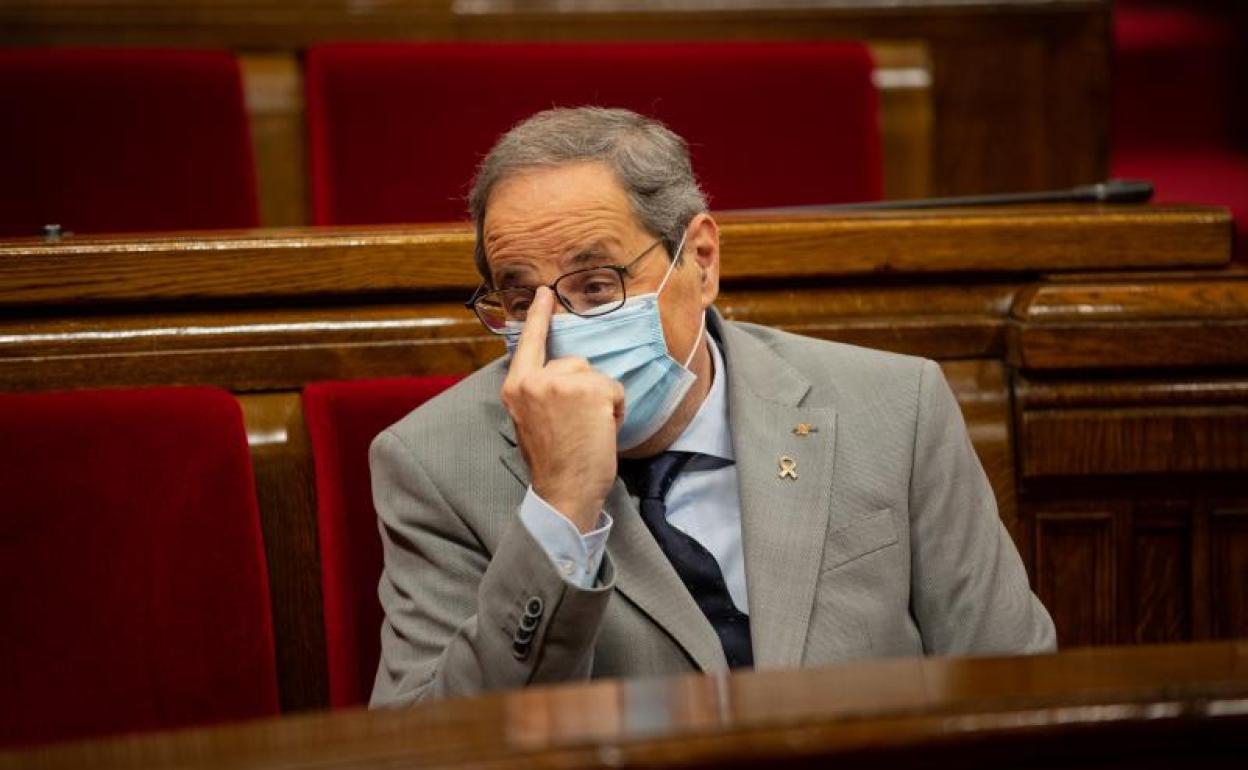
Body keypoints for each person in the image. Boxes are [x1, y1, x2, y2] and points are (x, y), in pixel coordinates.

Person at [369, 106, 1055, 706]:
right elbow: (427, 748)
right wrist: (559, 512)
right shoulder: (434, 465)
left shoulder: (896, 408)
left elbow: (1015, 686)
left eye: (598, 286)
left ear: (700, 260)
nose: (558, 331)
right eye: (522, 300)